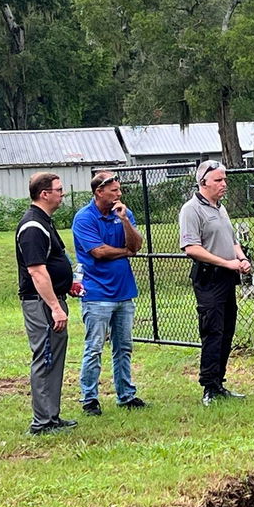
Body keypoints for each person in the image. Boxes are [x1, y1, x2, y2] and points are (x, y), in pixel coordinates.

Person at [178, 160, 253, 405]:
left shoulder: (220, 208)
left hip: (227, 277)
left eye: (224, 180)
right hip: (209, 276)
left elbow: (232, 240)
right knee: (212, 330)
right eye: (218, 180)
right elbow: (192, 248)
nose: (224, 184)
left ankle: (219, 382)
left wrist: (241, 258)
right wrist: (226, 262)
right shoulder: (191, 209)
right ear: (203, 183)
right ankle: (208, 386)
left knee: (227, 330)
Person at [72, 170, 146, 415]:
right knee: (94, 347)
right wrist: (125, 252)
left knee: (123, 346)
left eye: (119, 189)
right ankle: (89, 398)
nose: (118, 194)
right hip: (96, 293)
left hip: (124, 292)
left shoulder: (124, 213)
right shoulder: (84, 218)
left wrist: (125, 221)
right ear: (99, 192)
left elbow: (136, 245)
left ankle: (126, 395)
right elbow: (99, 252)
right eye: (114, 190)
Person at [15, 172, 80, 435]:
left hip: (52, 300)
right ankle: (42, 422)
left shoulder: (44, 222)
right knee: (45, 357)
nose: (62, 194)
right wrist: (54, 307)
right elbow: (36, 271)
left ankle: (52, 416)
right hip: (41, 305)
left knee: (53, 358)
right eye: (59, 190)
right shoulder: (32, 226)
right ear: (44, 194)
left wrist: (67, 285)